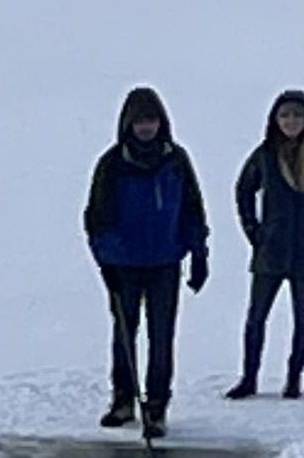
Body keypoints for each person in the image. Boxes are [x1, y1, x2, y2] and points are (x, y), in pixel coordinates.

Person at [83, 85, 212, 440]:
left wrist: (198, 253)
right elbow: (97, 219)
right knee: (124, 336)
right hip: (123, 265)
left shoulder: (176, 160)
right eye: (139, 121)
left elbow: (192, 210)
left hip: (165, 263)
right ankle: (123, 400)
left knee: (161, 337)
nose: (145, 128)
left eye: (151, 120)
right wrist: (106, 260)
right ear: (128, 124)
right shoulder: (112, 164)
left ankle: (156, 407)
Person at [227, 90, 304, 402]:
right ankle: (249, 378)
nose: (291, 121)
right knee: (256, 317)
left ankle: (294, 379)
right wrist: (254, 232)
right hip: (271, 250)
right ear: (275, 120)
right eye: (285, 116)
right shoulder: (265, 156)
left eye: (297, 115)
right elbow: (243, 192)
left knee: (303, 318)